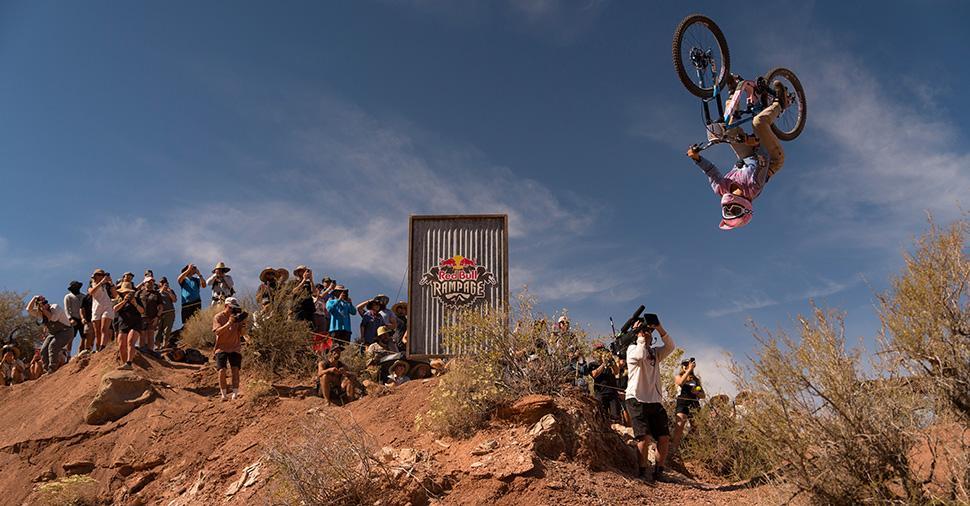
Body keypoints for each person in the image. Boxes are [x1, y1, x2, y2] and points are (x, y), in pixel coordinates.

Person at [686, 81, 788, 230]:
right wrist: (755, 143)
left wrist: (696, 158)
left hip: (747, 158)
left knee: (727, 130)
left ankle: (733, 93)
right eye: (734, 211)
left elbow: (711, 171)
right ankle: (781, 103)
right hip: (771, 159)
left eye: (726, 212)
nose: (729, 207)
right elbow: (764, 159)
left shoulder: (721, 188)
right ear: (745, 208)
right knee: (758, 123)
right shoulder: (753, 187)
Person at [625, 318, 675, 483]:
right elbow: (640, 356)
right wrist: (639, 336)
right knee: (643, 437)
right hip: (636, 398)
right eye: (644, 330)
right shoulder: (631, 349)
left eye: (649, 331)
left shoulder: (655, 353)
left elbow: (670, 347)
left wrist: (659, 328)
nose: (647, 333)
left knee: (664, 437)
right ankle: (642, 472)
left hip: (654, 400)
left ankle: (659, 471)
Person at [26, 295, 75, 374]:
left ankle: (53, 367)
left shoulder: (55, 307)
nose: (44, 304)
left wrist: (43, 309)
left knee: (53, 345)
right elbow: (28, 309)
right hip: (54, 334)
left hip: (66, 331)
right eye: (42, 304)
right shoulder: (40, 313)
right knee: (43, 349)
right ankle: (47, 369)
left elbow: (53, 318)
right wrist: (35, 298)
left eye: (45, 302)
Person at [213, 297, 247, 401]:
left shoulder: (238, 317)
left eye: (234, 308)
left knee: (235, 370)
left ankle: (235, 394)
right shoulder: (218, 317)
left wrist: (243, 323)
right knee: (222, 370)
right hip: (221, 347)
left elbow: (242, 333)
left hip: (235, 346)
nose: (233, 310)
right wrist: (229, 323)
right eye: (231, 308)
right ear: (226, 306)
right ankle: (223, 394)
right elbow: (217, 332)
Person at [671, 357, 706, 456]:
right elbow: (680, 382)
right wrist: (689, 370)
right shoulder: (679, 376)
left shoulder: (696, 380)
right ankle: (674, 450)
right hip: (683, 401)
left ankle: (689, 447)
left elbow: (703, 395)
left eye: (689, 364)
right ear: (682, 366)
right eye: (685, 364)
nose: (687, 366)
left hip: (694, 403)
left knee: (696, 427)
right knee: (679, 426)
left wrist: (697, 392)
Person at [584, 343, 623, 422]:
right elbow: (594, 375)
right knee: (602, 416)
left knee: (616, 416)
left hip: (612, 393)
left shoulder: (610, 362)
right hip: (600, 393)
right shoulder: (592, 364)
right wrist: (603, 364)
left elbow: (616, 372)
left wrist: (612, 362)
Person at [113, 283, 144, 370]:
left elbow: (142, 311)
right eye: (125, 292)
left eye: (128, 292)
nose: (126, 294)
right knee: (121, 345)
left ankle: (129, 363)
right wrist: (124, 301)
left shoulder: (137, 299)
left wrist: (135, 304)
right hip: (123, 324)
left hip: (135, 323)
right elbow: (115, 309)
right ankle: (125, 364)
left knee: (130, 341)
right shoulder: (119, 300)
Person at [88, 269, 117, 351]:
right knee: (97, 332)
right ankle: (98, 349)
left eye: (103, 275)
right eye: (99, 275)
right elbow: (91, 292)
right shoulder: (91, 284)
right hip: (96, 308)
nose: (102, 276)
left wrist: (111, 283)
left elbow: (115, 295)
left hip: (107, 307)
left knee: (104, 329)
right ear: (95, 276)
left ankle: (102, 347)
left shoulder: (107, 285)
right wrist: (101, 283)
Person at [137, 277, 164, 351]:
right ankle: (142, 350)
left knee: (151, 335)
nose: (151, 283)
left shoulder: (157, 293)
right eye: (149, 282)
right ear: (144, 283)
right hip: (141, 317)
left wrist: (157, 317)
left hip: (153, 317)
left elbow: (161, 307)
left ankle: (150, 352)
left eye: (152, 282)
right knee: (142, 335)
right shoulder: (139, 293)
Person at [155, 277, 178, 349]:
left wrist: (169, 292)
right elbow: (155, 299)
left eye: (165, 282)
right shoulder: (156, 291)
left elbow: (174, 300)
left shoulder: (170, 291)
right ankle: (157, 345)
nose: (164, 284)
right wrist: (162, 290)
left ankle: (164, 345)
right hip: (159, 313)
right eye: (162, 282)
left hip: (169, 312)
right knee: (158, 330)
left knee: (167, 330)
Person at [64, 281, 84, 356]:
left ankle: (81, 352)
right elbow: (66, 309)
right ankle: (68, 355)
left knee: (84, 336)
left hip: (82, 318)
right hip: (73, 318)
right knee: (71, 337)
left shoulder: (83, 296)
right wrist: (70, 318)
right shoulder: (68, 296)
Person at [79, 288, 94, 353]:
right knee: (88, 335)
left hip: (97, 318)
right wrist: (82, 318)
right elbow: (81, 309)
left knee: (94, 335)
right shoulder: (86, 298)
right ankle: (87, 350)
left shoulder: (100, 295)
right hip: (88, 319)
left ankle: (91, 350)